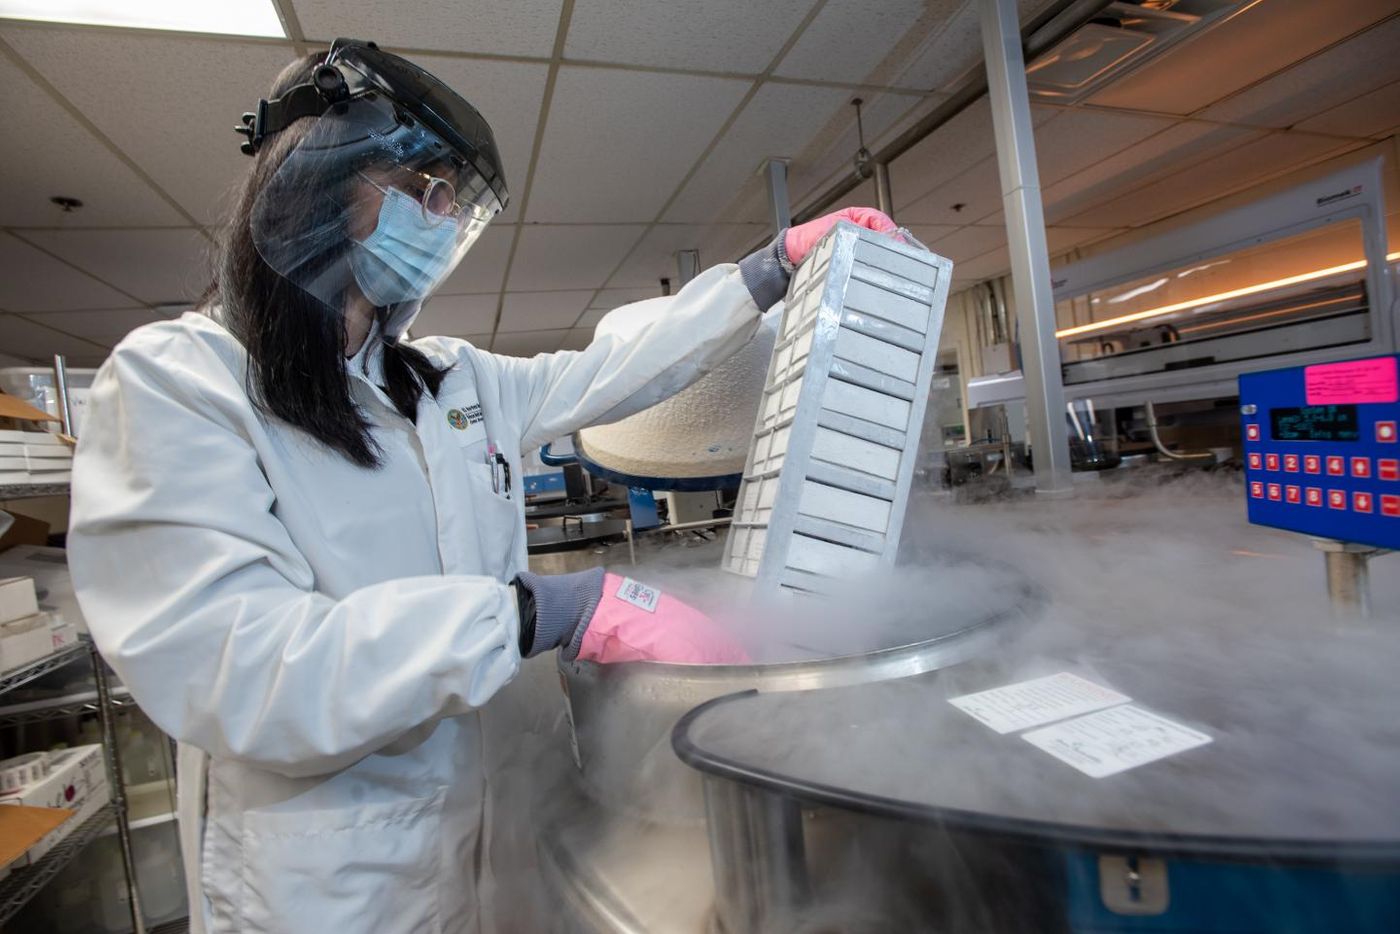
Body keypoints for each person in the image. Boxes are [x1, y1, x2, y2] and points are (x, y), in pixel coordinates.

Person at [66, 39, 898, 934]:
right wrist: (536, 610)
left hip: (479, 837)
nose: (439, 220)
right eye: (424, 193)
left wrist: (763, 273)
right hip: (330, 882)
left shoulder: (445, 380)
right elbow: (240, 668)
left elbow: (613, 371)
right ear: (322, 189)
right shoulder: (185, 380)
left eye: (450, 205)